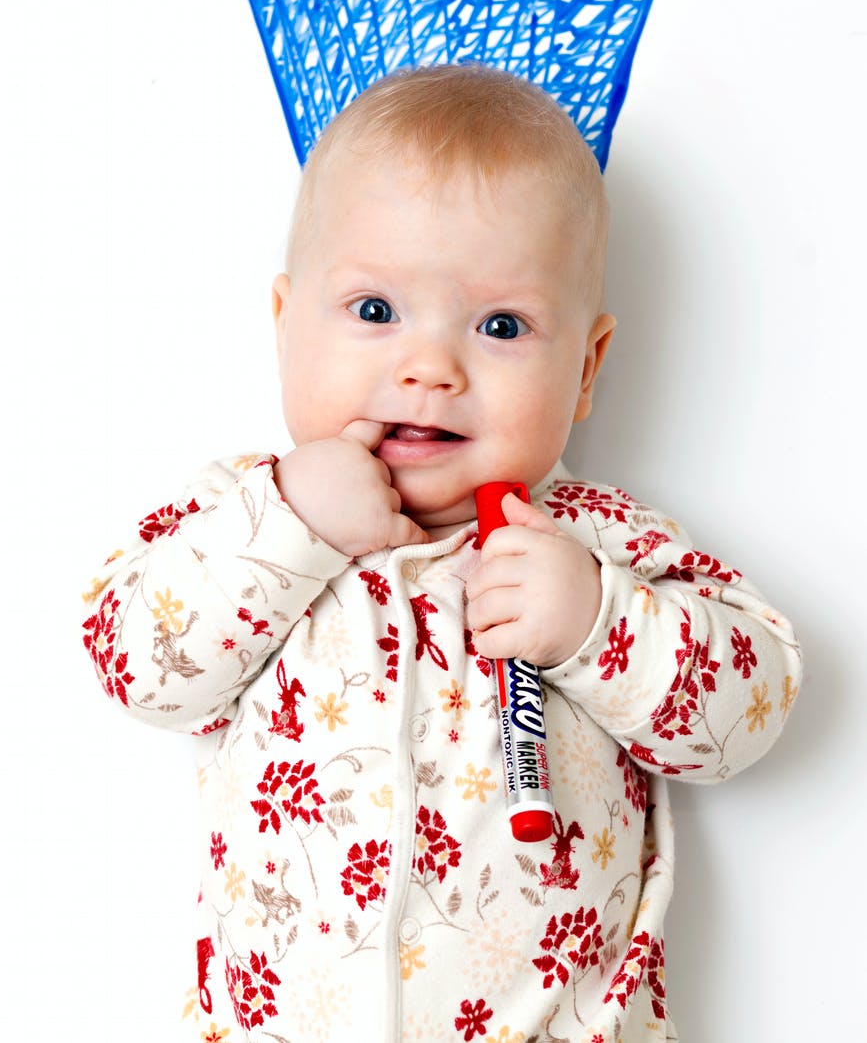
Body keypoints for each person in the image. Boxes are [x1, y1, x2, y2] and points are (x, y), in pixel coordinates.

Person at [82, 64, 801, 1042]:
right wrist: (293, 520)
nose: (429, 367)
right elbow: (133, 664)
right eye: (375, 310)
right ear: (285, 323)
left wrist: (595, 620)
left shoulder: (594, 538)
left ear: (584, 368)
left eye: (500, 325)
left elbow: (747, 712)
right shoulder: (245, 512)